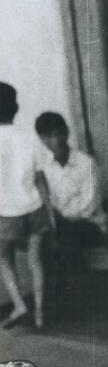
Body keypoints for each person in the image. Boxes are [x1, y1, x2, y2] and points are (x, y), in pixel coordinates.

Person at [0, 83, 54, 329]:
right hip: (34, 207)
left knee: (4, 259)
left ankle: (20, 305)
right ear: (15, 108)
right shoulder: (29, 138)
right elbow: (42, 180)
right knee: (35, 261)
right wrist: (51, 215)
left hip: (7, 212)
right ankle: (41, 314)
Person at [34, 111, 107, 265]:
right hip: (61, 227)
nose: (55, 141)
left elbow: (90, 204)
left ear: (66, 132)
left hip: (89, 224)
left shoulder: (86, 163)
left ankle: (72, 283)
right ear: (42, 139)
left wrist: (63, 218)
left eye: (58, 134)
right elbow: (47, 202)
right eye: (48, 137)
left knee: (67, 236)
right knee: (39, 239)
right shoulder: (45, 169)